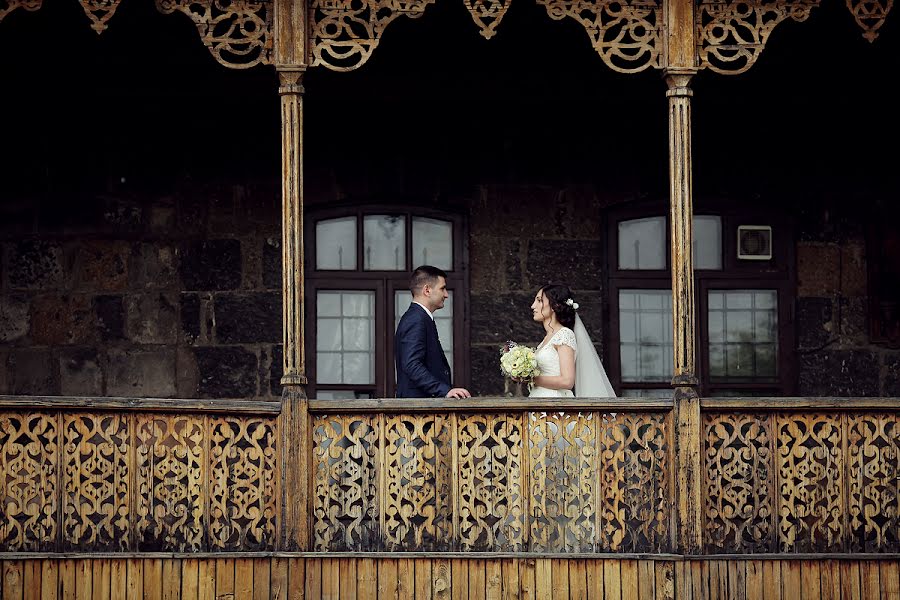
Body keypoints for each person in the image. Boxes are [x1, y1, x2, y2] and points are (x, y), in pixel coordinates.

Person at [395, 265, 472, 399]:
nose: (446, 294)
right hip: (417, 411)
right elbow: (411, 364)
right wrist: (444, 390)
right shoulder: (416, 319)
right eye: (442, 288)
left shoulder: (419, 317)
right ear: (427, 290)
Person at [528, 283, 615, 398]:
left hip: (554, 403)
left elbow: (567, 381)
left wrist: (530, 379)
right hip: (537, 400)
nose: (533, 306)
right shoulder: (546, 339)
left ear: (554, 305)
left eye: (539, 301)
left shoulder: (564, 335)